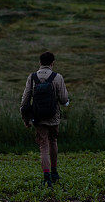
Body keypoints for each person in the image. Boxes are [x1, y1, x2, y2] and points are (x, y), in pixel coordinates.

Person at [20, 51, 70, 187]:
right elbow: (64, 99)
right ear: (52, 63)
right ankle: (54, 173)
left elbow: (25, 100)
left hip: (38, 118)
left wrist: (25, 118)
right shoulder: (57, 77)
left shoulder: (32, 77)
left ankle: (46, 177)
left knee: (43, 146)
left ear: (40, 63)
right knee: (53, 141)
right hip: (53, 117)